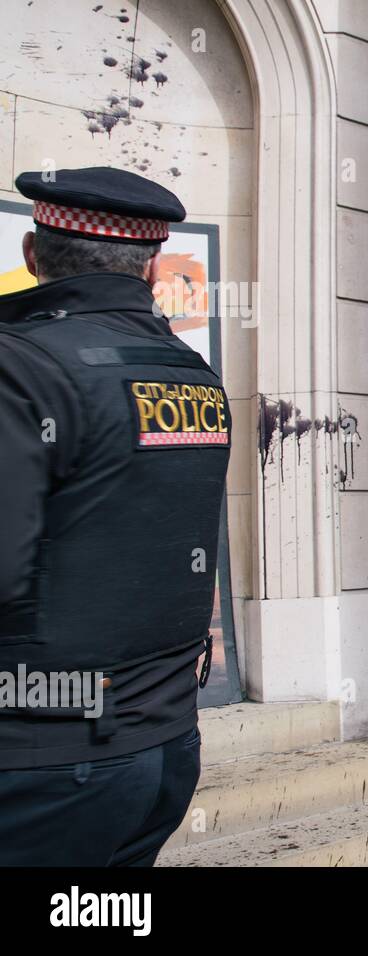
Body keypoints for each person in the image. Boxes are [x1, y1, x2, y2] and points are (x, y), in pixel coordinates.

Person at [0, 167, 228, 865]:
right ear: (153, 264)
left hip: (43, 762)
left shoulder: (22, 365)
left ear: (34, 256)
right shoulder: (194, 373)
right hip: (161, 751)